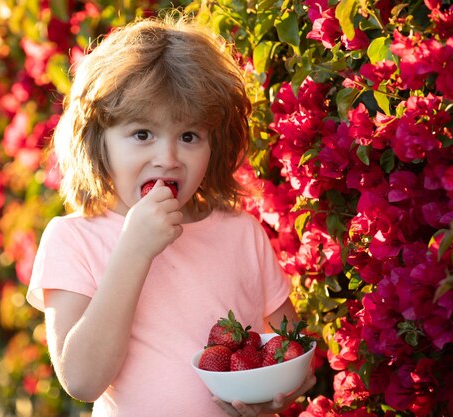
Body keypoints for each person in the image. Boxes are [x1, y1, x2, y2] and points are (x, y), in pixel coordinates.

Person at [26, 13, 316, 417]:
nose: (167, 159)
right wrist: (134, 250)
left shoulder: (240, 232)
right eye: (142, 134)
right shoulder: (73, 240)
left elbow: (291, 350)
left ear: (215, 144)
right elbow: (82, 380)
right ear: (98, 141)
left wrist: (275, 395)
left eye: (189, 136)